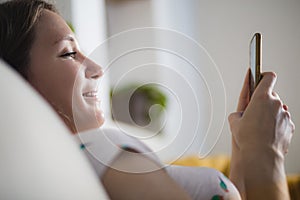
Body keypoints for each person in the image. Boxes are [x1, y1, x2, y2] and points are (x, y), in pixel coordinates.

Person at [0, 0, 294, 199]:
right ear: (18, 85)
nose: (98, 70)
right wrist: (265, 153)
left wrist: (244, 144)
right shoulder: (96, 149)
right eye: (68, 53)